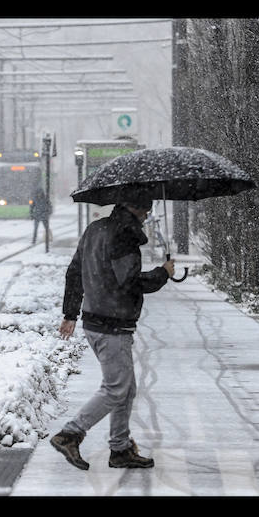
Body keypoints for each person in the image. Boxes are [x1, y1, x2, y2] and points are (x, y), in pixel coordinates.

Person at [50, 198, 175, 471]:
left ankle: (120, 449)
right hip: (112, 323)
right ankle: (70, 434)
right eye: (145, 207)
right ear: (133, 206)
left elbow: (74, 272)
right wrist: (162, 274)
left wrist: (70, 313)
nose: (147, 213)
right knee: (116, 388)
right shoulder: (124, 236)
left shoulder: (96, 228)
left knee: (126, 389)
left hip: (95, 321)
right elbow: (131, 282)